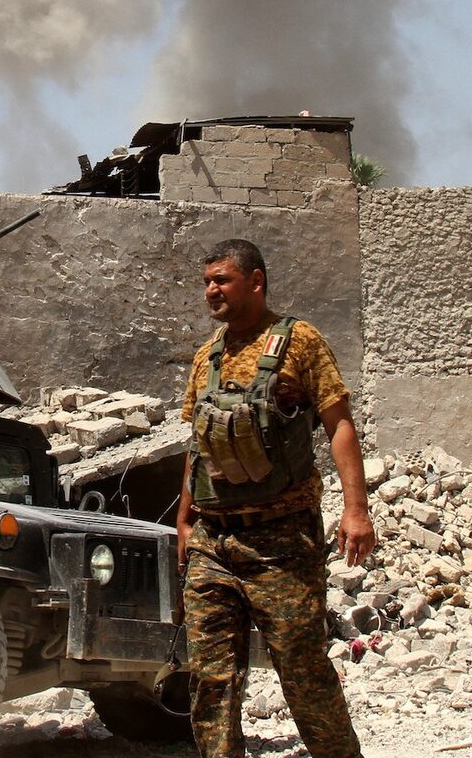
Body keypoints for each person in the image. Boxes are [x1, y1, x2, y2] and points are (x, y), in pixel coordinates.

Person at [176, 239, 375, 758]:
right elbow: (198, 445)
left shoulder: (299, 342)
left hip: (282, 542)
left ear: (256, 281)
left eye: (222, 280)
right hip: (213, 542)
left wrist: (356, 510)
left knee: (302, 671)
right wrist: (184, 520)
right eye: (207, 282)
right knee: (211, 678)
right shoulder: (206, 356)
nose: (211, 290)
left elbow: (339, 423)